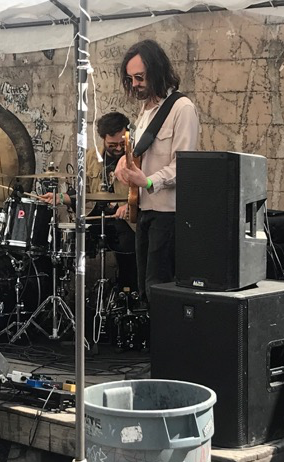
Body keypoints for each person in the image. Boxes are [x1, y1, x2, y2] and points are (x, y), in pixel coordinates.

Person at [115, 39, 200, 305]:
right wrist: (123, 162)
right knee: (144, 288)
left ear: (157, 70)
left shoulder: (182, 109)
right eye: (130, 79)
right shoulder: (145, 112)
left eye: (139, 77)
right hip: (144, 210)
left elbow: (184, 166)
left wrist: (149, 181)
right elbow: (140, 153)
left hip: (168, 214)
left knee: (160, 289)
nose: (135, 84)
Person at [39, 111, 137, 291]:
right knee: (62, 240)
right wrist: (59, 198)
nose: (118, 148)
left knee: (128, 249)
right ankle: (62, 290)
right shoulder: (91, 157)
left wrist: (128, 206)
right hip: (96, 215)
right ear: (103, 138)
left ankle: (127, 293)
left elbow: (145, 189)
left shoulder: (136, 157)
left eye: (122, 143)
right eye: (112, 145)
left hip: (125, 220)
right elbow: (83, 192)